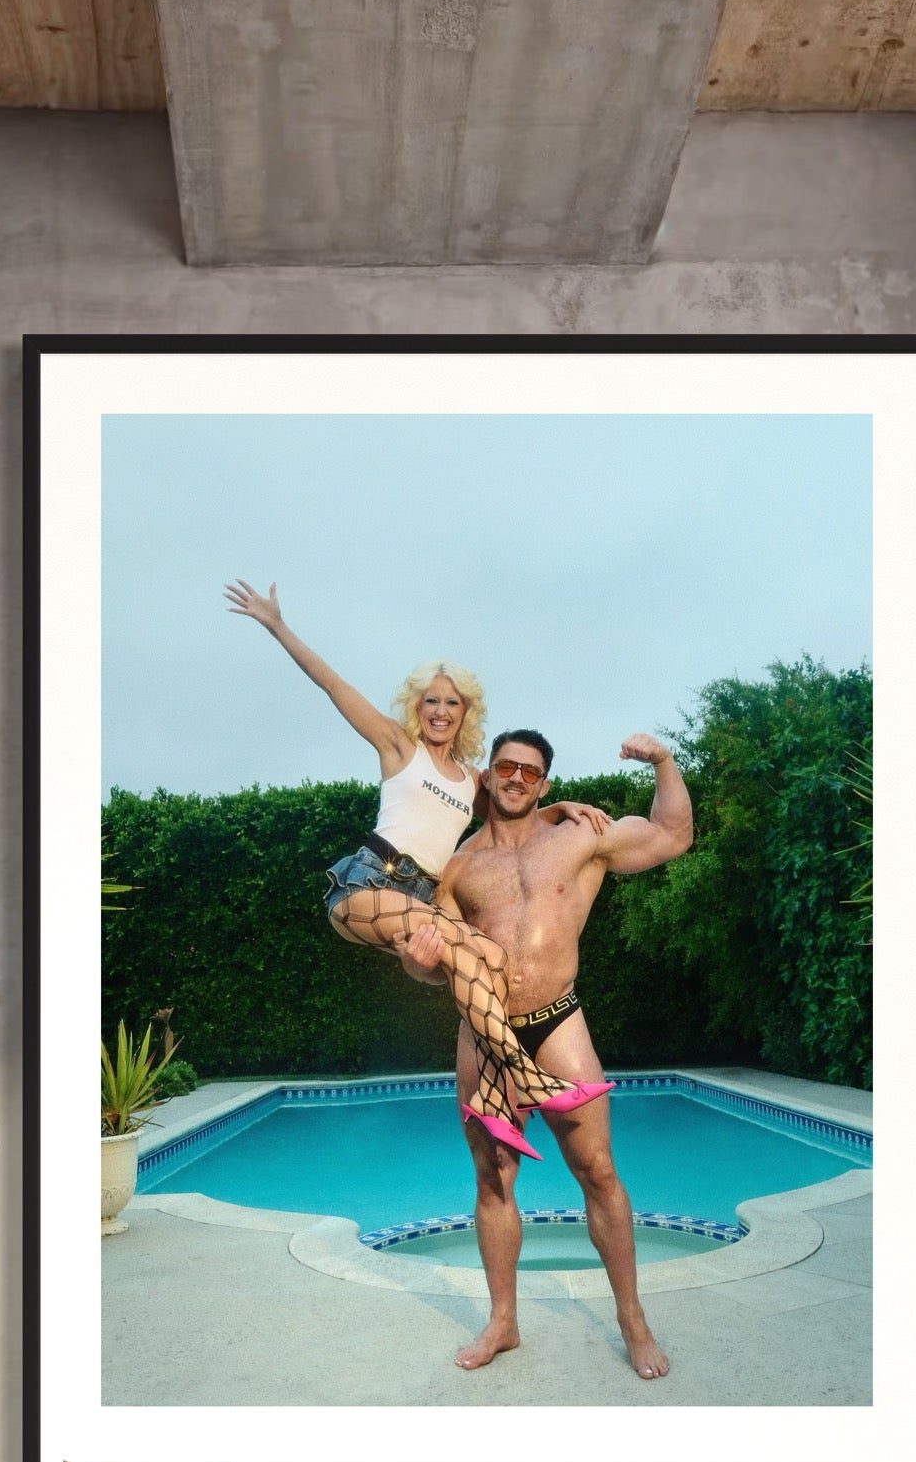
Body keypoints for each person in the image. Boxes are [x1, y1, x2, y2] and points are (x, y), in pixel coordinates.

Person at [223, 581, 613, 1146]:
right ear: (416, 706)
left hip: (421, 897)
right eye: (430, 700)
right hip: (368, 883)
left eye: (451, 702)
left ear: (465, 712)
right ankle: (524, 1076)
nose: (440, 710)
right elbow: (334, 685)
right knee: (471, 951)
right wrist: (277, 625)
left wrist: (556, 808)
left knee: (490, 959)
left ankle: (489, 1095)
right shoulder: (397, 748)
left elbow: (510, 809)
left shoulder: (470, 777)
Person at [403, 726, 694, 1381]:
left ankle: (632, 1320)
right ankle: (503, 1322)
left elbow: (673, 835)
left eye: (530, 773)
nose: (515, 779)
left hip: (557, 1023)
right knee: (493, 1178)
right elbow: (434, 963)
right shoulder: (455, 868)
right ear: (488, 775)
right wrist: (418, 964)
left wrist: (665, 762)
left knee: (596, 1170)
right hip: (482, 1034)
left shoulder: (579, 835)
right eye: (505, 767)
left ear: (545, 784)